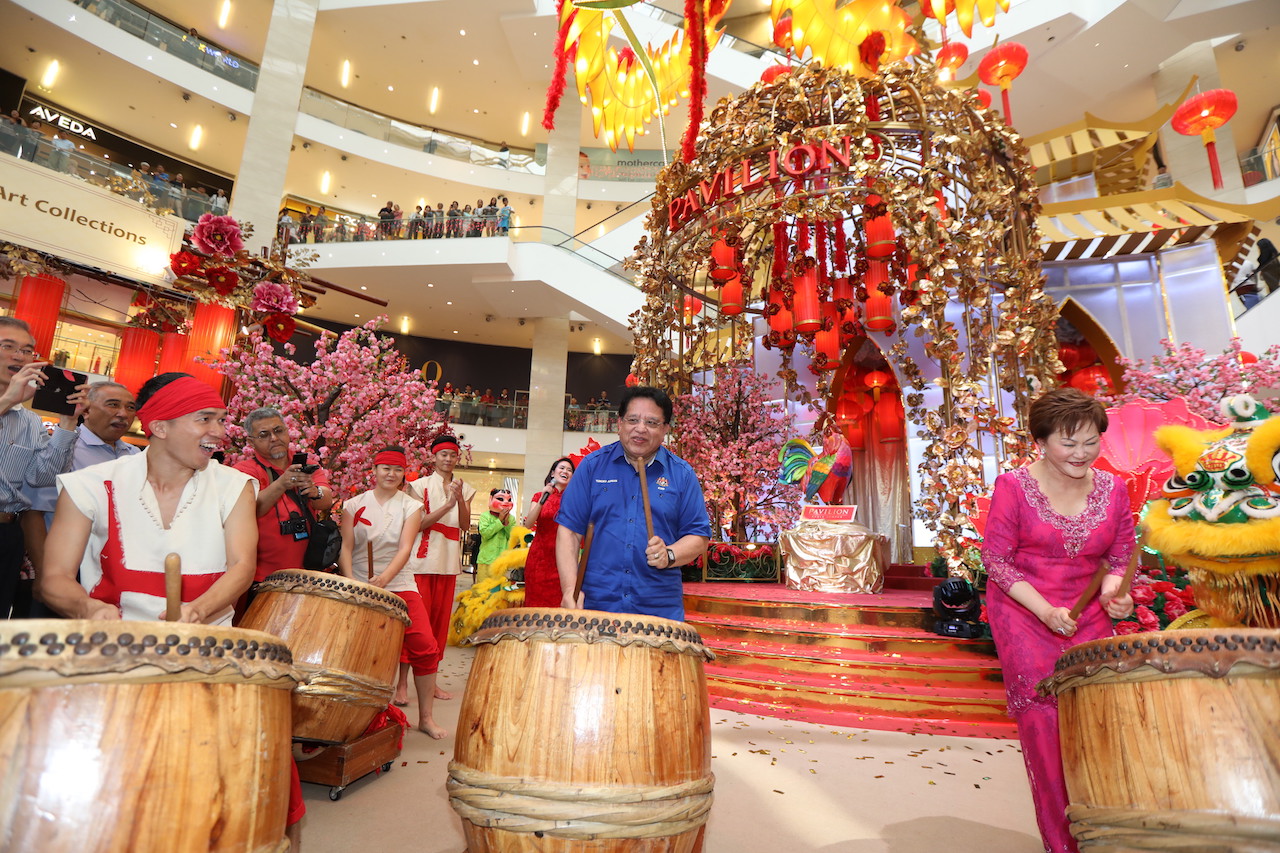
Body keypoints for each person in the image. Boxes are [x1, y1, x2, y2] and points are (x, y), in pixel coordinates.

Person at [980, 387, 1136, 853]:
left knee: (1094, 718)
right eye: (1069, 443)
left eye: (1091, 442)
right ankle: (1062, 844)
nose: (1081, 453)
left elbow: (1120, 555)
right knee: (1045, 722)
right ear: (1042, 441)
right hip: (1025, 610)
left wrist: (1114, 597)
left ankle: (1103, 829)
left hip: (1087, 613)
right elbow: (998, 561)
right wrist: (1045, 610)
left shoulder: (1114, 488)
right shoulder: (1012, 486)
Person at [42, 372, 258, 625]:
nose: (219, 431)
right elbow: (55, 577)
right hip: (114, 645)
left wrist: (199, 610)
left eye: (221, 420)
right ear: (160, 427)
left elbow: (242, 565)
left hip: (206, 645)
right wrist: (87, 608)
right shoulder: (91, 484)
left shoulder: (233, 485)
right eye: (205, 419)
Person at [555, 386, 710, 620]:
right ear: (619, 424)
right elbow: (569, 532)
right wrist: (569, 589)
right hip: (597, 603)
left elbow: (698, 535)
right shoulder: (592, 467)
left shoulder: (682, 474)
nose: (640, 429)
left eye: (651, 422)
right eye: (633, 420)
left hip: (658, 608)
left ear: (665, 429)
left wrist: (669, 554)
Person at [338, 447, 446, 739]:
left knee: (425, 645)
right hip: (358, 584)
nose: (391, 474)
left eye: (397, 469)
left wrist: (385, 578)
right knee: (359, 649)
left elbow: (405, 548)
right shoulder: (352, 504)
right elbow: (346, 547)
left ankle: (425, 718)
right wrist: (351, 582)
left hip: (399, 583)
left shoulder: (410, 506)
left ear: (403, 474)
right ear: (373, 470)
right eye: (385, 467)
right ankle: (356, 714)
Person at [22, 381, 139, 615]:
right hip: (65, 567)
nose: (123, 414)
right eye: (113, 405)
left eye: (130, 407)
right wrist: (45, 574)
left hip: (112, 571)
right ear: (86, 410)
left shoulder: (134, 456)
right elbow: (33, 513)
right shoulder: (63, 446)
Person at [0, 317, 82, 618]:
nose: (20, 356)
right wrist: (6, 401)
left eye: (27, 350)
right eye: (8, 346)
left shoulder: (30, 420)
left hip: (8, 534)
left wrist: (68, 422)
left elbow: (41, 477)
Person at [393, 434, 475, 704]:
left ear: (457, 458)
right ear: (434, 457)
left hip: (448, 564)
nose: (448, 459)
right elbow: (418, 524)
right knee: (416, 625)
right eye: (443, 455)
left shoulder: (466, 487)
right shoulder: (418, 486)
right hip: (421, 561)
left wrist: (460, 500)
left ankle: (432, 682)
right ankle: (402, 685)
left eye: (452, 455)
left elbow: (464, 525)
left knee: (438, 626)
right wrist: (447, 505)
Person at [232, 408, 335, 611]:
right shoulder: (244, 471)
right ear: (251, 442)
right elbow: (250, 509)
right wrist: (282, 484)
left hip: (306, 574)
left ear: (288, 432)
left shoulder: (307, 464)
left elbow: (326, 500)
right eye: (264, 434)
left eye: (278, 430)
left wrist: (314, 492)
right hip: (261, 577)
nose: (274, 438)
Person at [523, 457, 574, 607]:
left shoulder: (574, 499)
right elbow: (528, 523)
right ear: (553, 473)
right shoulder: (540, 496)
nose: (565, 471)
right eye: (562, 468)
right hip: (539, 559)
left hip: (563, 560)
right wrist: (542, 500)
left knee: (560, 603)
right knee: (535, 603)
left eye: (570, 470)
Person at [476, 488, 515, 574]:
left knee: (500, 586)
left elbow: (513, 538)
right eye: (500, 499)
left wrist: (506, 522)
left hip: (503, 561)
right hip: (486, 561)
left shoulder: (511, 519)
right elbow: (485, 534)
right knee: (484, 586)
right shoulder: (485, 516)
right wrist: (499, 521)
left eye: (509, 500)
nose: (505, 502)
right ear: (491, 499)